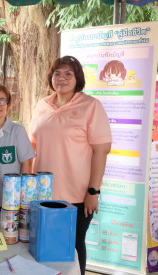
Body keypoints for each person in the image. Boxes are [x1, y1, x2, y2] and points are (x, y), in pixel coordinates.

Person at [30, 56, 112, 275]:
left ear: (78, 78)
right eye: (57, 73)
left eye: (69, 74)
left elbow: (101, 150)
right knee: (44, 249)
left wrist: (93, 191)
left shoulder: (90, 106)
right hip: (42, 194)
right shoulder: (42, 106)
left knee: (73, 248)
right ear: (51, 77)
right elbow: (32, 147)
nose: (62, 78)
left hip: (76, 196)